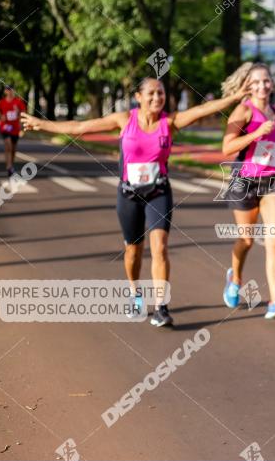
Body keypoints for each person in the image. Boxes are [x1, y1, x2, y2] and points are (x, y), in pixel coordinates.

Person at [22, 77, 249, 327]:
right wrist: (41, 124)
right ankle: (135, 292)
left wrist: (234, 98)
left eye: (160, 93)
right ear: (138, 97)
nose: (156, 98)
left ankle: (161, 307)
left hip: (159, 192)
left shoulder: (169, 123)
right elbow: (80, 127)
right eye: (151, 93)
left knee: (160, 246)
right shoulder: (123, 120)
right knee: (133, 250)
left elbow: (201, 110)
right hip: (129, 193)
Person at [220, 62, 275, 319]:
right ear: (247, 85)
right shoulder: (243, 110)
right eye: (256, 82)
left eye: (266, 80)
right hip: (245, 181)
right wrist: (256, 132)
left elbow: (271, 140)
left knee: (274, 240)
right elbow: (227, 147)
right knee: (246, 240)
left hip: (273, 180)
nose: (262, 86)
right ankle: (234, 278)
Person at [0, 87, 26, 177]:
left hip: (15, 128)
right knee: (8, 145)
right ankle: (8, 166)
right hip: (5, 127)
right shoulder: (2, 102)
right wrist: (1, 116)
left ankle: (11, 164)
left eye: (11, 90)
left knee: (13, 149)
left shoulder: (18, 102)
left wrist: (18, 113)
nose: (10, 92)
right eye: (8, 90)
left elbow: (23, 112)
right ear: (5, 91)